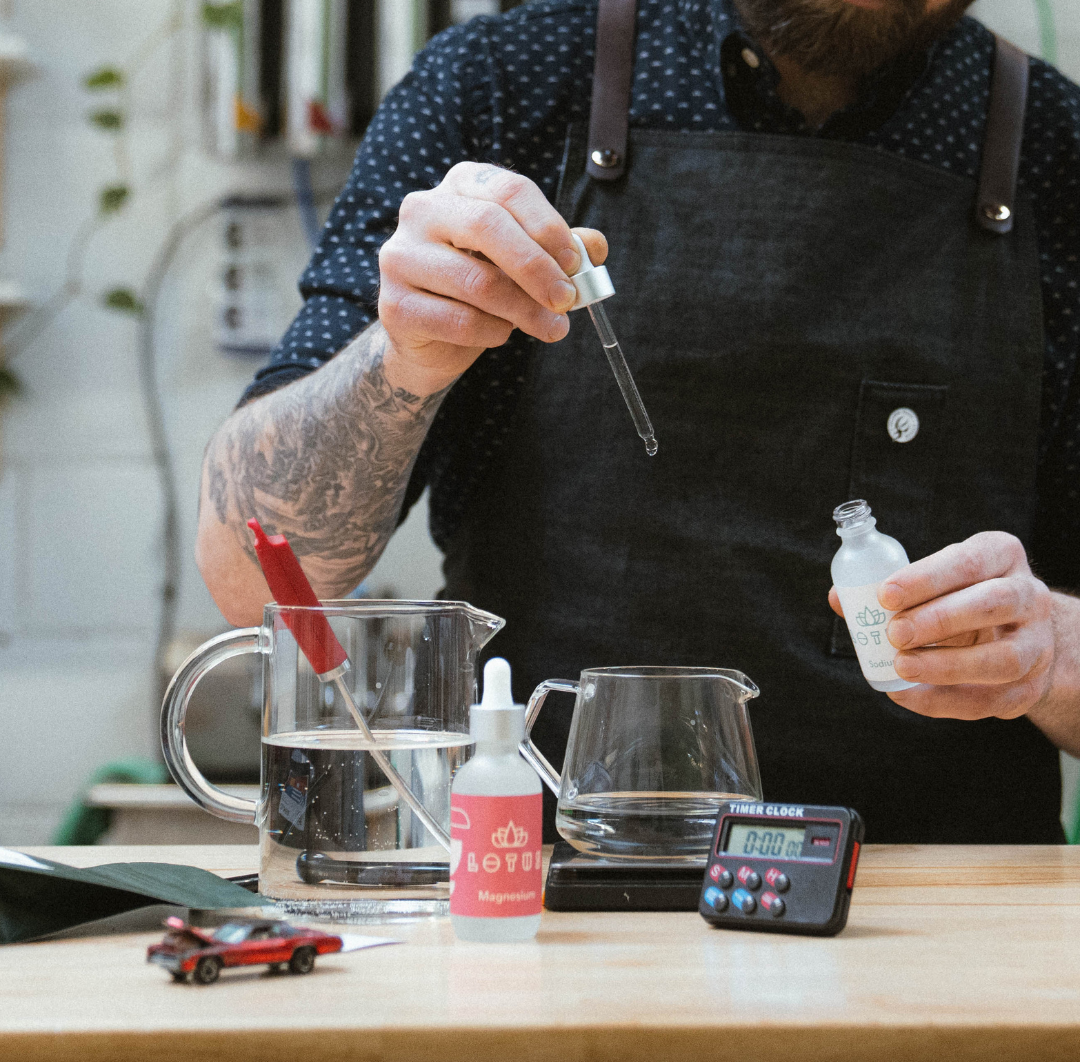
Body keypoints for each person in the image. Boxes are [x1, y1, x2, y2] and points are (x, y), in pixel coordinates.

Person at [196, 0, 1080, 842]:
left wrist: (1050, 656)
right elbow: (254, 576)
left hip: (944, 915)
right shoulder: (509, 84)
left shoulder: (1056, 148)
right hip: (545, 896)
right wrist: (401, 357)